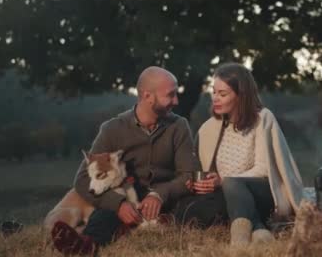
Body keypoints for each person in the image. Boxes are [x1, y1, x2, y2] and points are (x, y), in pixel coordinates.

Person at [49, 66, 226, 255]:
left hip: (169, 199)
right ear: (147, 96)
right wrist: (118, 204)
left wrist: (159, 194)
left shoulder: (179, 126)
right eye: (170, 95)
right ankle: (87, 245)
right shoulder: (112, 129)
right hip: (128, 199)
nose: (176, 101)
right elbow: (83, 179)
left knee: (215, 200)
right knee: (106, 210)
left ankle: (156, 223)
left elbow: (187, 175)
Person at [193, 62, 304, 246]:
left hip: (263, 191)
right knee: (200, 204)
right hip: (231, 196)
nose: (215, 99)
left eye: (223, 94)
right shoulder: (209, 128)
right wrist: (209, 181)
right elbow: (202, 166)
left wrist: (224, 180)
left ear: (240, 96)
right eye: (214, 92)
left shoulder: (263, 118)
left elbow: (263, 169)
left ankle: (239, 242)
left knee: (232, 183)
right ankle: (259, 230)